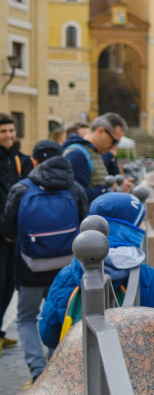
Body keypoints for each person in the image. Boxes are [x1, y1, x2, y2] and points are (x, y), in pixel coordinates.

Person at [0, 140, 88, 384]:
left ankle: (38, 371)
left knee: (26, 318)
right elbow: (86, 226)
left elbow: (7, 231)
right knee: (61, 317)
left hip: (29, 267)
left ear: (35, 161)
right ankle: (57, 371)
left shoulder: (21, 188)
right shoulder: (74, 188)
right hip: (66, 268)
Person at [39, 192, 154, 351]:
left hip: (80, 369)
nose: (144, 227)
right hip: (134, 371)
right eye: (141, 222)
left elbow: (48, 334)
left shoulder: (67, 275)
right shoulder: (148, 277)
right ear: (126, 228)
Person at [0, 113, 31, 351]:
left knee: (10, 283)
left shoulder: (19, 159)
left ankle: (0, 332)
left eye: (11, 130)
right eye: (3, 132)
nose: (8, 135)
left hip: (15, 232)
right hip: (2, 232)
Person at [62, 113, 133, 203]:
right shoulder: (77, 155)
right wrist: (111, 188)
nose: (114, 146)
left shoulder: (92, 152)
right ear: (100, 131)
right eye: (114, 141)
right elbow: (77, 196)